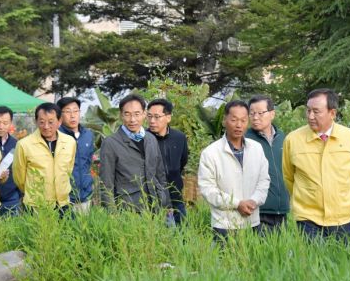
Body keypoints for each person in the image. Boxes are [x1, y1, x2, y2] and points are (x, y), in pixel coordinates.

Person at [282, 88, 350, 242]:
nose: (310, 116)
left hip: (342, 217)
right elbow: (289, 177)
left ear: (332, 113)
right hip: (307, 218)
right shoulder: (293, 140)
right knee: (312, 264)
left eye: (316, 111)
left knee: (342, 264)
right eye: (308, 110)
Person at [198, 100, 270, 240]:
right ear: (225, 120)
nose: (239, 125)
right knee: (224, 261)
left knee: (252, 260)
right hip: (224, 225)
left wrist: (254, 201)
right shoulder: (211, 153)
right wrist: (237, 204)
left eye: (243, 120)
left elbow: (264, 180)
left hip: (252, 222)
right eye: (234, 120)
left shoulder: (256, 149)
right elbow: (208, 189)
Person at [99, 94, 169, 211]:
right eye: (127, 114)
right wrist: (112, 213)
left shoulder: (151, 139)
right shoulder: (110, 143)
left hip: (155, 205)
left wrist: (166, 203)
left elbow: (160, 174)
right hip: (128, 209)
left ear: (144, 114)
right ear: (121, 115)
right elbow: (106, 184)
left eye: (137, 114)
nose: (132, 119)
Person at [13, 103, 77, 211]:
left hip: (63, 203)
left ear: (59, 121)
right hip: (36, 205)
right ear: (36, 121)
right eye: (42, 122)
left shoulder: (70, 142)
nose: (46, 126)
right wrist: (32, 192)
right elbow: (19, 177)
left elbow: (68, 169)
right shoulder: (24, 144)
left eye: (51, 122)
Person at [245, 95, 289, 232]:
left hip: (281, 210)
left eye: (260, 113)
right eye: (251, 113)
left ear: (272, 114)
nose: (255, 117)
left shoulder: (284, 138)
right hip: (257, 210)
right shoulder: (245, 140)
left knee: (280, 251)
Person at [146, 98, 189, 226]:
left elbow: (183, 161)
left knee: (182, 235)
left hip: (175, 195)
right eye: (149, 116)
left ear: (168, 117)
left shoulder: (179, 137)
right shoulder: (143, 138)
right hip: (152, 197)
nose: (152, 121)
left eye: (157, 117)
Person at [56, 97, 95, 212]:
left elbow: (88, 163)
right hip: (64, 198)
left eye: (75, 111)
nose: (72, 115)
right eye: (67, 111)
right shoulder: (56, 136)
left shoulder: (88, 135)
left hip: (85, 196)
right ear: (60, 115)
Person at [0, 106, 22, 215]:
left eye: (5, 123)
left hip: (11, 198)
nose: (0, 127)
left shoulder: (16, 144)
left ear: (10, 123)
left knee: (12, 230)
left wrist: (19, 194)